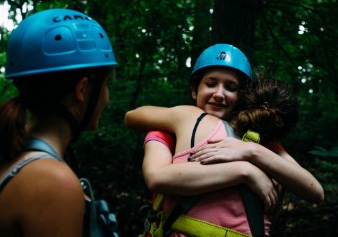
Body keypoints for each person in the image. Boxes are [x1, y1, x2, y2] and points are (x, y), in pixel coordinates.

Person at [125, 44, 324, 236]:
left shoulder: (261, 143)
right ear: (195, 90)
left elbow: (315, 192)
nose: (219, 94)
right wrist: (245, 171)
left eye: (230, 87)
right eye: (211, 84)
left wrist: (252, 152)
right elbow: (133, 118)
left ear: (242, 97)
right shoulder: (178, 123)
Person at [0, 8, 117, 237]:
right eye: (106, 84)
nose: (108, 97)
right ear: (82, 89)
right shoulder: (52, 181)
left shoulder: (15, 152)